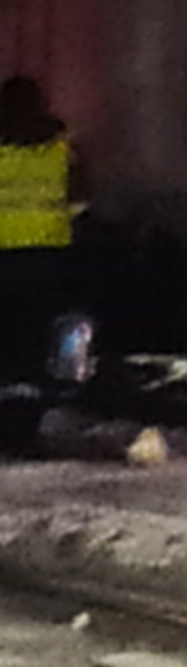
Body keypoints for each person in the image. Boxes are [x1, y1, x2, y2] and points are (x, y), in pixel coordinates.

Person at [0, 73, 76, 450]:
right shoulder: (62, 151)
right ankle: (27, 421)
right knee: (34, 343)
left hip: (3, 257)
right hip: (47, 260)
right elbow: (80, 199)